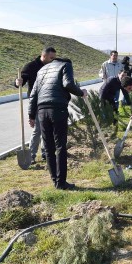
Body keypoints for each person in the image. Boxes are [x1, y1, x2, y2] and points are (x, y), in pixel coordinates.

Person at [28, 57, 87, 190]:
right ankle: (61, 183)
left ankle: (55, 181)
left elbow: (34, 93)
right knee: (60, 146)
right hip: (58, 109)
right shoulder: (66, 65)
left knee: (49, 148)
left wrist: (31, 115)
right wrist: (81, 92)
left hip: (42, 111)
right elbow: (68, 84)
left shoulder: (42, 69)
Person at [15, 46, 57, 164]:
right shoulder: (31, 66)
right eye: (51, 57)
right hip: (37, 101)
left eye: (54, 58)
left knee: (49, 127)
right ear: (43, 56)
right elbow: (20, 80)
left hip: (50, 99)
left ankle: (45, 152)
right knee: (38, 128)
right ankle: (32, 155)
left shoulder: (52, 66)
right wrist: (18, 82)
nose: (53, 60)